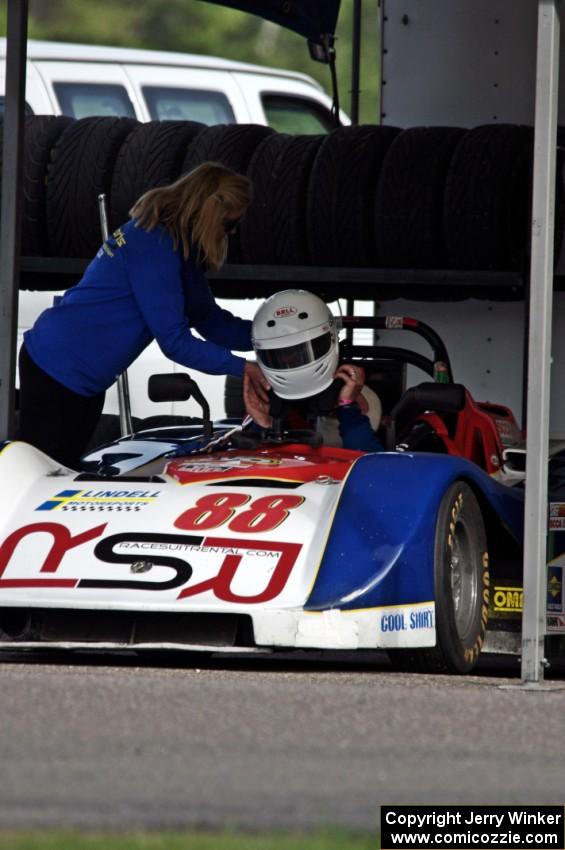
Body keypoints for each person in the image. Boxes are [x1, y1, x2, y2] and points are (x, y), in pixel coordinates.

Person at [18, 162, 269, 468]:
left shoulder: (177, 247)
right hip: (56, 370)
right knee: (43, 479)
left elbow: (210, 320)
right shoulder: (155, 244)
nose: (230, 233)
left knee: (62, 472)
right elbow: (174, 342)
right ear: (210, 212)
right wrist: (241, 367)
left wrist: (271, 337)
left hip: (81, 378)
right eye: (229, 224)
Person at [244, 289, 384, 452]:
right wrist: (265, 425)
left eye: (300, 352)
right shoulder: (266, 402)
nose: (291, 361)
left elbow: (371, 465)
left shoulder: (359, 397)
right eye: (282, 355)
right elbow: (250, 466)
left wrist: (347, 406)